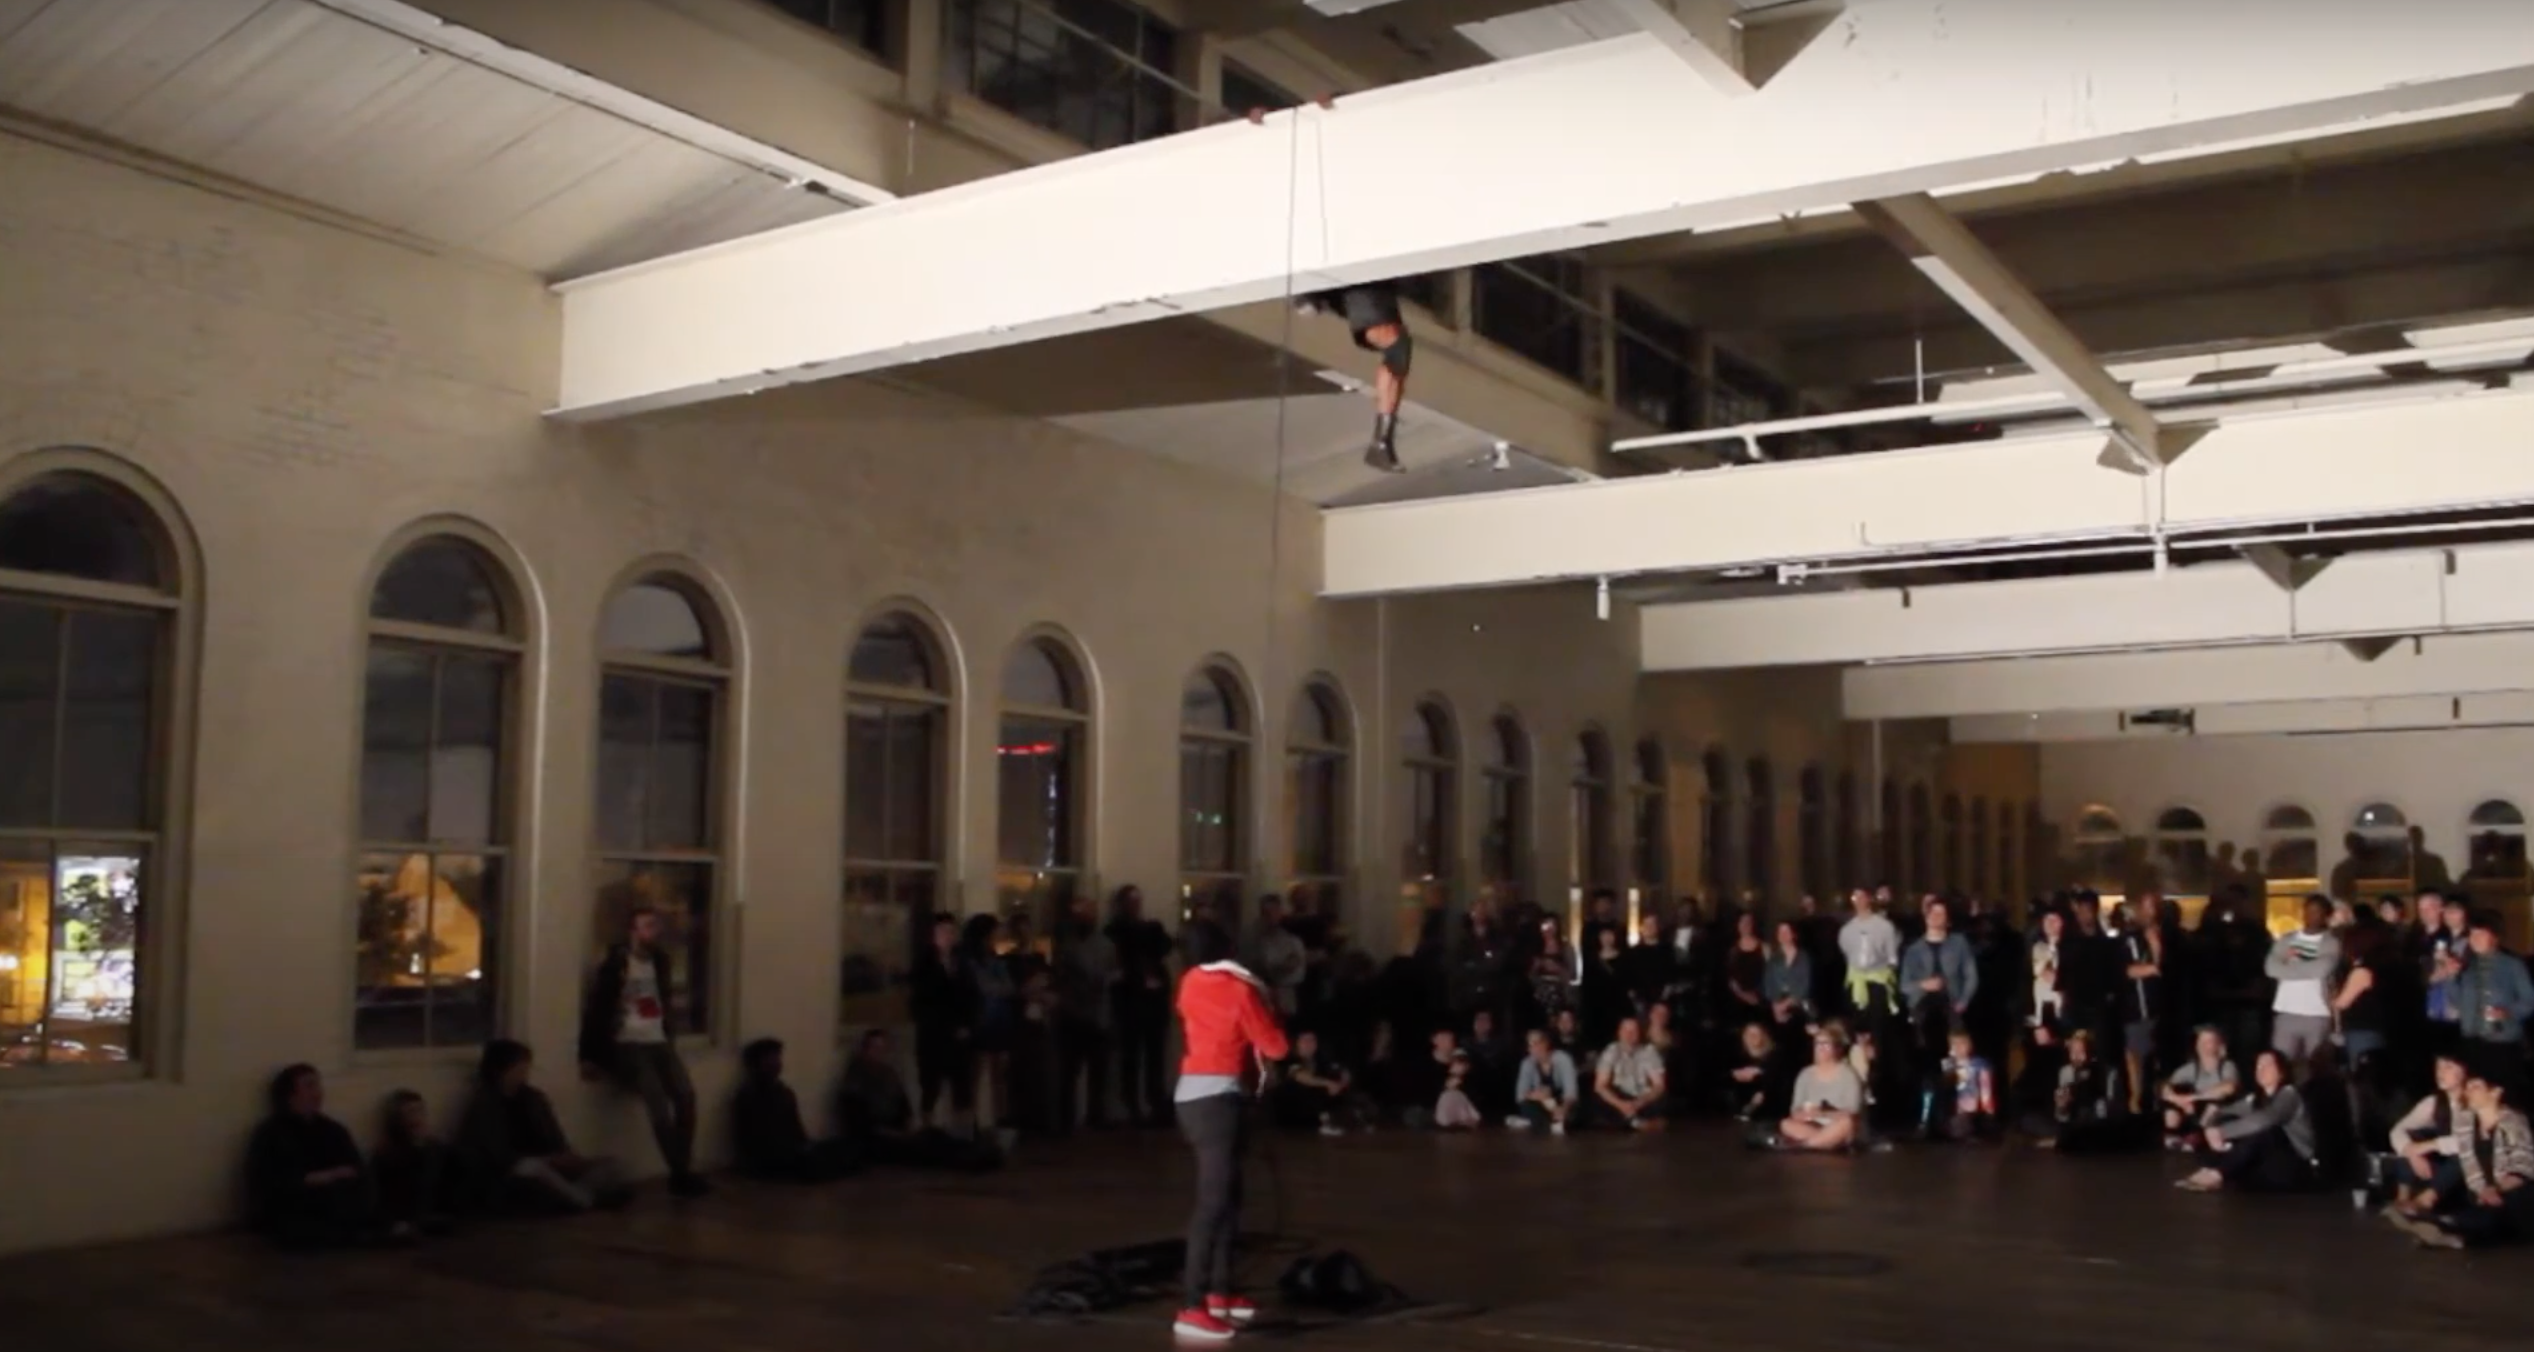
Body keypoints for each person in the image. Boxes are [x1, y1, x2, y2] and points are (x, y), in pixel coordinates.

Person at [1170, 920, 1290, 1343]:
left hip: (1194, 1096)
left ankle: (1220, 1291)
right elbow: (1276, 1047)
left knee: (1228, 1196)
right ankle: (1191, 1304)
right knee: (1214, 1202)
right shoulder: (1241, 989)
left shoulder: (1188, 983)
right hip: (1217, 1099)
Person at [578, 905, 707, 1197]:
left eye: (656, 926)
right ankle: (680, 1173)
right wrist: (589, 1056)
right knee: (658, 1105)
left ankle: (682, 1167)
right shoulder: (616, 964)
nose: (654, 932)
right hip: (629, 1043)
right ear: (633, 931)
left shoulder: (660, 961)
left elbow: (664, 998)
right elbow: (597, 1010)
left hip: (658, 1039)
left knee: (686, 1096)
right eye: (647, 926)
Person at [459, 1039, 631, 1213]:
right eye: (519, 1068)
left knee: (611, 1164)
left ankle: (576, 1195)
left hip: (548, 1165)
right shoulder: (484, 1103)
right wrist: (547, 1161)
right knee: (532, 1169)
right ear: (500, 1070)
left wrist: (567, 1157)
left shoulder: (533, 1098)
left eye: (525, 1068)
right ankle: (584, 1200)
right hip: (512, 1170)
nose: (524, 1073)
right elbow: (498, 1156)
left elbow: (554, 1135)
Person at [245, 1064, 380, 1249]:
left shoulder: (333, 1130)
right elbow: (268, 1182)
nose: (317, 1092)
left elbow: (356, 1167)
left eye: (318, 1085)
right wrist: (323, 1177)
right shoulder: (270, 1134)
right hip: (294, 1210)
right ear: (289, 1094)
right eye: (309, 1086)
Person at [2391, 1075, 2534, 1249]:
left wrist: (2496, 1189)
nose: (2468, 1092)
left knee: (2502, 1209)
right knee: (2478, 1211)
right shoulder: (2466, 1122)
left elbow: (2523, 1166)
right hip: (2480, 1194)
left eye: (2476, 1087)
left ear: (2495, 1092)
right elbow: (2465, 1159)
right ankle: (2450, 1232)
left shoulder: (2513, 1122)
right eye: (2468, 1087)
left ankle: (2447, 1228)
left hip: (2509, 1191)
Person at [1294, 282, 1414, 473]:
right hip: (1364, 280)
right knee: (1396, 342)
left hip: (1373, 281)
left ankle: (1382, 441)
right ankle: (1381, 441)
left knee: (1398, 345)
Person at [2178, 1049, 2318, 1193]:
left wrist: (2222, 1132)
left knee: (2265, 1131)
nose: (2261, 1070)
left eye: (2267, 1065)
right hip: (2270, 1165)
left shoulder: (2289, 1095)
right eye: (2258, 1066)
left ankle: (2218, 1173)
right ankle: (2213, 1168)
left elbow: (2264, 1120)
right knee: (2230, 1122)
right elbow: (2224, 1111)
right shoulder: (2255, 1099)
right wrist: (2212, 1126)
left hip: (2296, 1165)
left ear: (2281, 1071)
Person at [732, 1038, 858, 1183]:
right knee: (820, 1162)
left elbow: (796, 1126)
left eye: (778, 1058)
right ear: (756, 1065)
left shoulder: (783, 1091)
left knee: (843, 1147)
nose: (777, 1063)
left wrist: (806, 1144)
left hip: (792, 1150)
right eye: (770, 1059)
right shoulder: (749, 1095)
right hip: (769, 1159)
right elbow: (756, 1139)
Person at [2263, 895, 2341, 1065]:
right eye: (2307, 911)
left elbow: (2322, 968)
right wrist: (2306, 970)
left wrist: (2287, 970)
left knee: (2317, 1065)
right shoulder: (2287, 939)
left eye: (2316, 912)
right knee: (2281, 1064)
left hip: (2317, 1012)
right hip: (2286, 1010)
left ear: (2326, 915)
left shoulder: (2331, 943)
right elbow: (2270, 968)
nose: (2310, 915)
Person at [1775, 1027, 1867, 1152]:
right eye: (1818, 1043)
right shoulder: (1805, 1074)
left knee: (1847, 1123)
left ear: (1836, 1048)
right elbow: (1795, 1109)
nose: (1821, 1048)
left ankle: (1805, 1145)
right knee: (1786, 1124)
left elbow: (1852, 1112)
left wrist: (1823, 1113)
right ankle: (1826, 1142)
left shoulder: (1848, 1075)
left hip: (1837, 1123)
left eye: (1826, 1044)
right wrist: (1806, 1114)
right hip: (1812, 1125)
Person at [2159, 1026, 2241, 1150]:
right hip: (2194, 1110)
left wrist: (2193, 1097)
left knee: (2217, 1101)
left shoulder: (2227, 1066)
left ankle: (2200, 1135)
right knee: (2173, 1097)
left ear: (2219, 1045)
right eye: (2201, 1041)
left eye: (2208, 1042)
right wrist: (2178, 1099)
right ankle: (2173, 1135)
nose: (2203, 1046)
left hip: (2220, 1113)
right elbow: (2166, 1087)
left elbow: (2229, 1087)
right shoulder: (2190, 1068)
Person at [1590, 1015, 1669, 1131]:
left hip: (1642, 1098)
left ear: (1639, 1033)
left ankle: (1632, 1122)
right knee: (1597, 1102)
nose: (1629, 1035)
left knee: (1663, 1101)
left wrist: (1638, 1103)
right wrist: (1621, 1105)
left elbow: (1659, 1085)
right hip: (1619, 1097)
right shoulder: (1611, 1051)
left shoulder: (1649, 1051)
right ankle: (1636, 1123)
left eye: (1633, 1031)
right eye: (1625, 1030)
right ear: (1619, 1033)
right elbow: (1600, 1086)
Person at [1511, 1027, 1581, 1135]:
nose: (1533, 1048)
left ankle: (1553, 1122)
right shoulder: (1527, 1063)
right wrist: (1538, 1095)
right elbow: (1520, 1095)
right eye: (1530, 1045)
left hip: (1562, 1101)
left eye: (1536, 1044)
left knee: (1574, 1112)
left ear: (1546, 1043)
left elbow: (1571, 1092)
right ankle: (1547, 1124)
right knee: (1527, 1106)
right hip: (1541, 1103)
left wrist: (1563, 1108)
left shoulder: (1563, 1059)